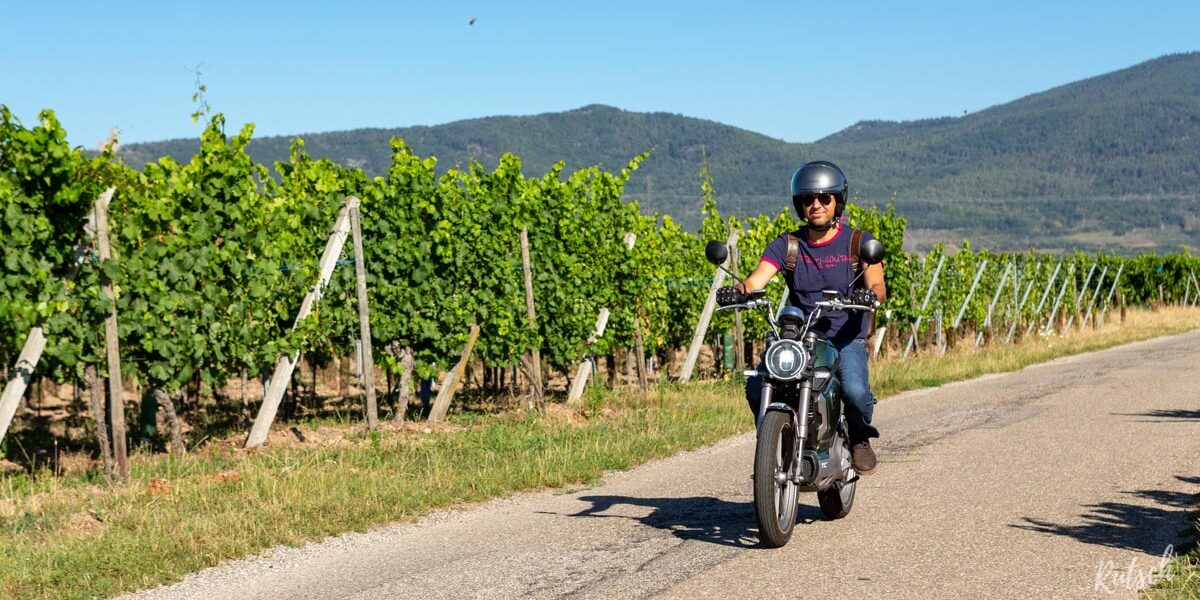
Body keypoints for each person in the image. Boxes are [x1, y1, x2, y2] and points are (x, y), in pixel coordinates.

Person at [723, 160, 886, 474]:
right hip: (799, 337)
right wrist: (740, 290)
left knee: (853, 390)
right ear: (799, 204)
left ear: (838, 201)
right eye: (808, 199)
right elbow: (758, 278)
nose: (816, 205)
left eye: (825, 198)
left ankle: (859, 435)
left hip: (843, 337)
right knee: (758, 385)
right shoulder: (789, 245)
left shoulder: (858, 243)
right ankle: (776, 438)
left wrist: (869, 296)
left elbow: (877, 285)